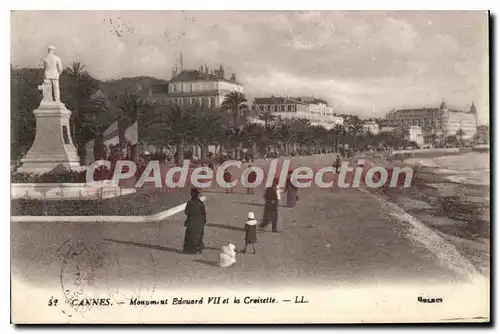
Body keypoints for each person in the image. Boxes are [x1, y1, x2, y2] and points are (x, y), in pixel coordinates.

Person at [183, 188, 207, 254]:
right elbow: (204, 213)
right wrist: (203, 221)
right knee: (199, 236)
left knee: (190, 235)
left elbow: (186, 212)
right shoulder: (201, 203)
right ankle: (199, 248)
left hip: (192, 221)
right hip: (200, 222)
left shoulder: (190, 203)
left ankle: (191, 249)